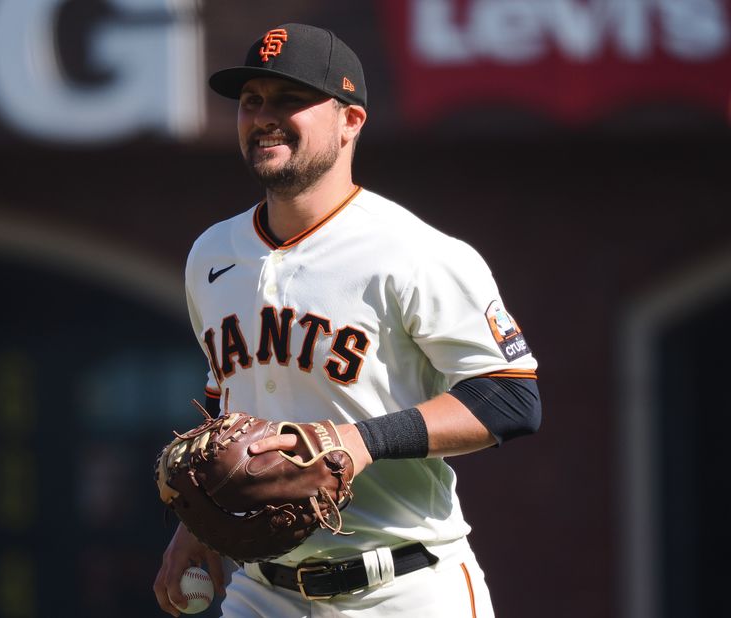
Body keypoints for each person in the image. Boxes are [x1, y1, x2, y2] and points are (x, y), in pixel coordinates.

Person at [153, 23, 541, 618]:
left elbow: (511, 398)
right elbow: (230, 393)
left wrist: (362, 440)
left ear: (350, 121)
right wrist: (200, 523)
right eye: (252, 101)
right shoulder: (211, 253)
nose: (263, 117)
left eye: (289, 99)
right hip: (261, 591)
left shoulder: (414, 251)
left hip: (402, 585)